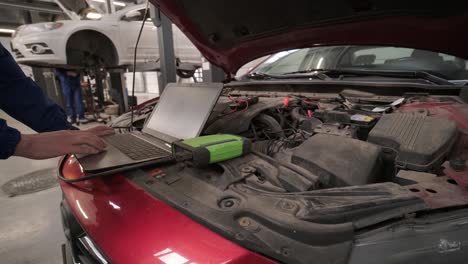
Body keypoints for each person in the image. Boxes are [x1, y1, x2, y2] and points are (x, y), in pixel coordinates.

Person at [0, 42, 114, 160]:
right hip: (67, 80)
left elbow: (13, 85)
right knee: (70, 101)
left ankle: (80, 117)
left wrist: (67, 131)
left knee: (77, 100)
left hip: (74, 80)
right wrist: (21, 143)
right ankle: (76, 117)